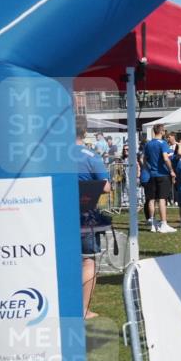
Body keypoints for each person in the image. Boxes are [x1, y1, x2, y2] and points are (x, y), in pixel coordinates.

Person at [76, 120, 110, 320]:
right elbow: (106, 187)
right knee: (88, 261)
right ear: (85, 132)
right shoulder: (91, 156)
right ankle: (83, 309)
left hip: (58, 213)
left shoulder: (54, 155)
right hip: (85, 214)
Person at [143, 125, 177, 232]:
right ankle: (163, 224)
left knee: (151, 199)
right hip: (162, 175)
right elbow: (166, 158)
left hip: (151, 175)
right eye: (164, 131)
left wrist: (148, 168)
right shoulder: (163, 143)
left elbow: (143, 159)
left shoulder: (148, 144)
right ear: (161, 132)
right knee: (162, 199)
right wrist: (171, 170)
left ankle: (153, 223)